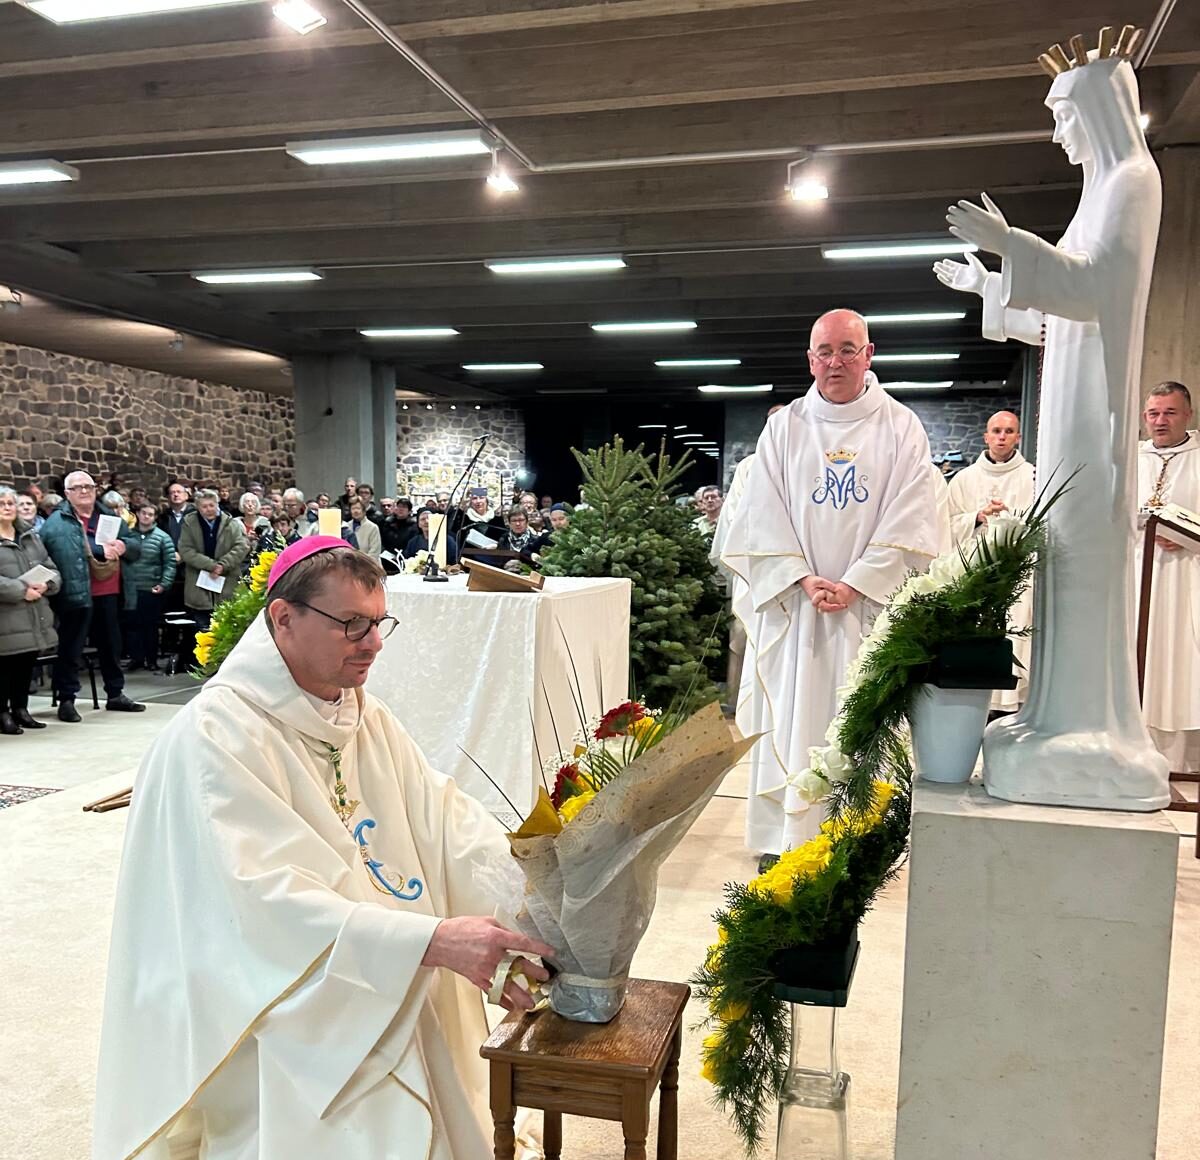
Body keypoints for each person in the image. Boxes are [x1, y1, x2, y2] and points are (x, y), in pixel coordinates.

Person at [94, 539, 553, 1160]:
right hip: (272, 999)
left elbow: (445, 822)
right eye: (352, 625)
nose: (373, 643)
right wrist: (428, 941)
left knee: (423, 1017)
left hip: (387, 954)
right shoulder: (215, 737)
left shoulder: (362, 714)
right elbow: (258, 906)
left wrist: (535, 894)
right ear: (284, 618)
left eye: (378, 622)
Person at [722, 309, 938, 858]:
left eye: (847, 349)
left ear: (869, 354)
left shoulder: (899, 426)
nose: (834, 361)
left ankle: (861, 834)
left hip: (868, 608)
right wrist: (801, 576)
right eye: (824, 351)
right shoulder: (786, 425)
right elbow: (761, 511)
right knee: (794, 715)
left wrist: (860, 581)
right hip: (799, 606)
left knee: (861, 715)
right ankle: (785, 836)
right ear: (809, 358)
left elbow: (912, 513)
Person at [946, 409, 1036, 712]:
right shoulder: (963, 479)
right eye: (996, 431)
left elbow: (1041, 522)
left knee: (1016, 629)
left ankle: (1010, 704)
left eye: (1009, 431)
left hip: (1016, 575)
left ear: (1018, 437)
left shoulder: (1033, 476)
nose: (1002, 437)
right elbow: (947, 523)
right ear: (986, 436)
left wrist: (1010, 521)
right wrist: (978, 516)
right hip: (975, 570)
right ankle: (974, 701)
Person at [40, 470, 145, 720]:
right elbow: (60, 551)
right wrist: (100, 548)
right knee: (71, 649)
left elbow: (135, 546)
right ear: (67, 494)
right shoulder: (58, 522)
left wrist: (123, 546)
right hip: (76, 594)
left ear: (96, 490)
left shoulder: (110, 517)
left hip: (109, 592)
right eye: (77, 488)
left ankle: (115, 693)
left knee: (111, 646)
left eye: (88, 486)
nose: (84, 491)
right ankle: (67, 699)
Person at [1137, 381, 1200, 772]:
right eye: (1153, 413)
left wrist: (1189, 532)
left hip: (1187, 577)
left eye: (1169, 413)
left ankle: (1180, 761)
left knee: (1180, 662)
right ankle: (1135, 753)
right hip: (1138, 577)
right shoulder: (1130, 459)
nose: (1160, 421)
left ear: (1188, 415)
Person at [0, 486, 60, 733]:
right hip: (6, 614)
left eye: (10, 503)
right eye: (1, 504)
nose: (6, 508)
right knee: (4, 667)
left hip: (34, 612)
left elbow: (51, 567)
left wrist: (47, 584)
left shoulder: (30, 536)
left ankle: (21, 709)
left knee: (26, 663)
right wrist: (21, 589)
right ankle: (2, 713)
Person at [179, 489, 250, 635]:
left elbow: (242, 546)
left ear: (217, 504)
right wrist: (211, 565)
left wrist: (223, 565)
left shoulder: (231, 523)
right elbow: (186, 550)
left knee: (228, 632)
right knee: (203, 633)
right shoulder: (189, 523)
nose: (208, 509)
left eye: (211, 505)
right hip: (199, 585)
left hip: (227, 584)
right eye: (204, 506)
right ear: (198, 508)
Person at [122, 502, 176, 673]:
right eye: (143, 513)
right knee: (132, 625)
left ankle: (151, 659)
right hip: (131, 586)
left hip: (151, 587)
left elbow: (169, 563)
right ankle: (136, 658)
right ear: (137, 514)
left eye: (150, 514)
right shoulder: (129, 535)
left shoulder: (162, 537)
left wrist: (164, 584)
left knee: (150, 626)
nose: (146, 517)